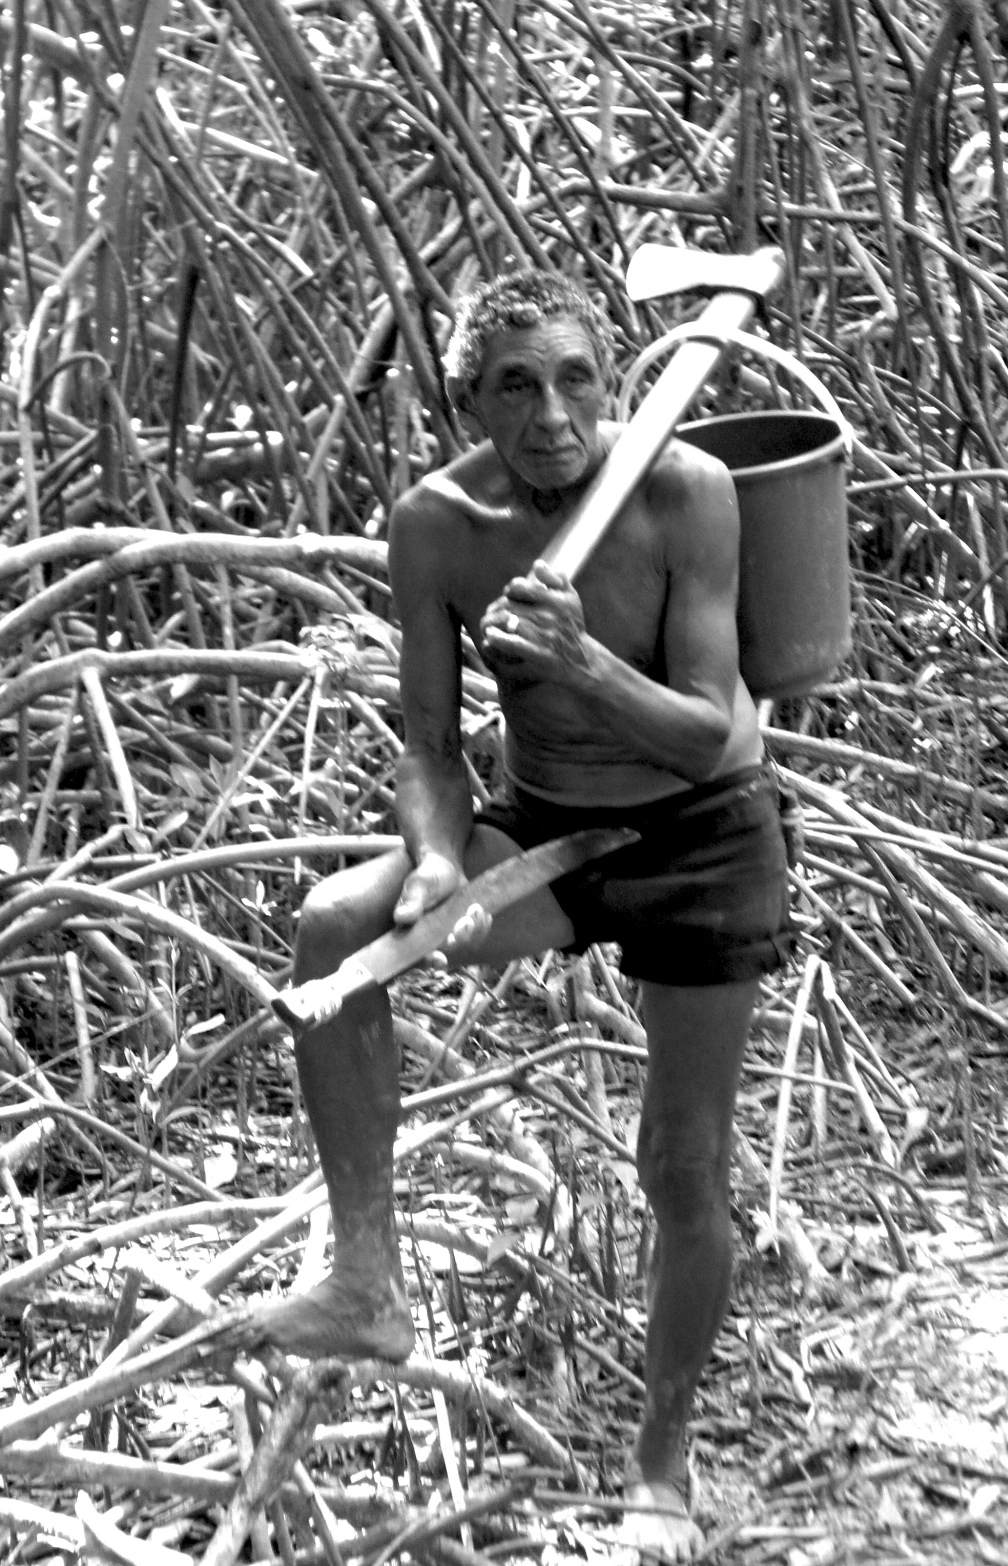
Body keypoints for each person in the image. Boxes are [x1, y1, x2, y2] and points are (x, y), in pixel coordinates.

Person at [247, 269, 793, 1557]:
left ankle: (663, 1462)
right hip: (543, 824)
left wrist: (582, 662)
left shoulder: (683, 491)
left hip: (703, 835)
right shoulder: (436, 524)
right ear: (468, 401)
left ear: (610, 382)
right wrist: (436, 860)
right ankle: (368, 1279)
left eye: (575, 380)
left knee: (681, 1160)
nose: (551, 415)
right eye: (514, 386)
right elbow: (432, 744)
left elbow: (712, 731)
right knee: (338, 925)